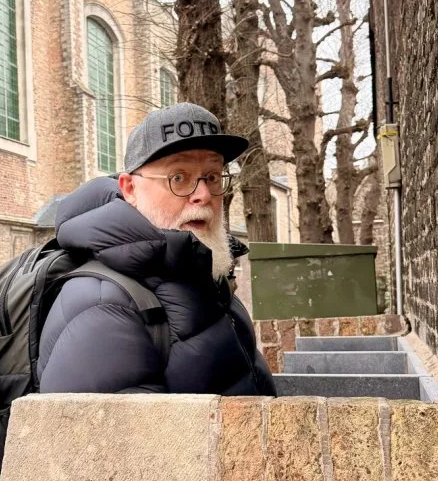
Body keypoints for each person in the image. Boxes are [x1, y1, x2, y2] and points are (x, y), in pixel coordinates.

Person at [38, 102, 277, 396]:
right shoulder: (103, 307)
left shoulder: (205, 276)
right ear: (130, 189)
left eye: (213, 176)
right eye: (178, 178)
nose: (203, 195)